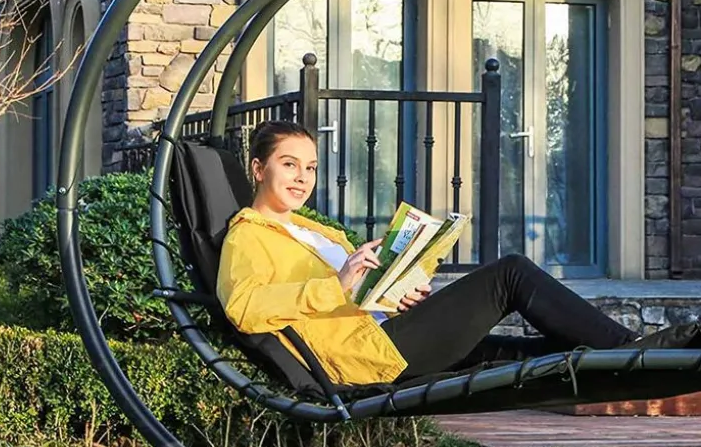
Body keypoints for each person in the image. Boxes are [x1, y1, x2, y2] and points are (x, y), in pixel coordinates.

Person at [216, 120, 637, 389]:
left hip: (391, 330)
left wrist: (395, 293)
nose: (302, 177)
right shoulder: (248, 235)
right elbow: (243, 306)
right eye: (289, 164)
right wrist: (336, 284)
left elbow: (354, 300)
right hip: (370, 354)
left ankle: (623, 370)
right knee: (510, 274)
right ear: (259, 169)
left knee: (522, 356)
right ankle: (634, 352)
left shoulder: (312, 229)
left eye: (310, 167)